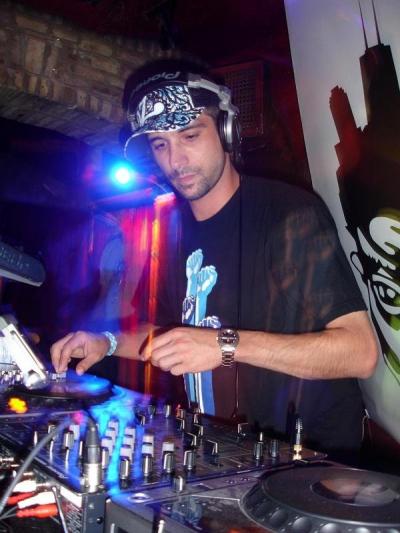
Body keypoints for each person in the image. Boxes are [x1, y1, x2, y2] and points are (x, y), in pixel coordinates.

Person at [51, 60, 378, 458]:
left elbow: (360, 352)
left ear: (226, 131)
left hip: (311, 461)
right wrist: (106, 341)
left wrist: (225, 345)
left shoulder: (288, 215)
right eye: (160, 144)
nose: (176, 161)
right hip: (223, 453)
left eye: (190, 135)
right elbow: (167, 337)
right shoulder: (172, 231)